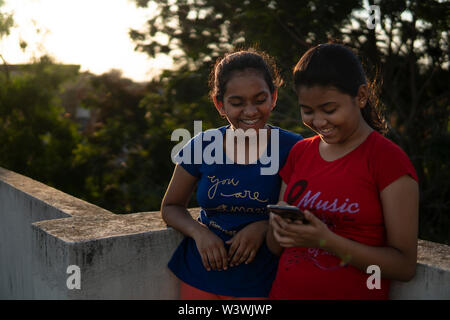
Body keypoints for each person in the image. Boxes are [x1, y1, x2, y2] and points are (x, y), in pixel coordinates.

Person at [266, 43, 419, 300]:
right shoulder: (299, 153)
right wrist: (278, 228)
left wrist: (326, 240)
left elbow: (403, 266)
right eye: (308, 111)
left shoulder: (387, 160)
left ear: (360, 96)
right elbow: (275, 247)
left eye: (329, 109)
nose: (319, 121)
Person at [161, 49, 303, 299]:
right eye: (237, 103)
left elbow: (298, 215)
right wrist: (199, 233)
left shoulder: (293, 148)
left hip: (262, 277)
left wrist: (263, 226)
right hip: (201, 271)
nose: (250, 112)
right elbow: (171, 206)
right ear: (220, 104)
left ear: (274, 97)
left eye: (260, 100)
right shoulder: (201, 145)